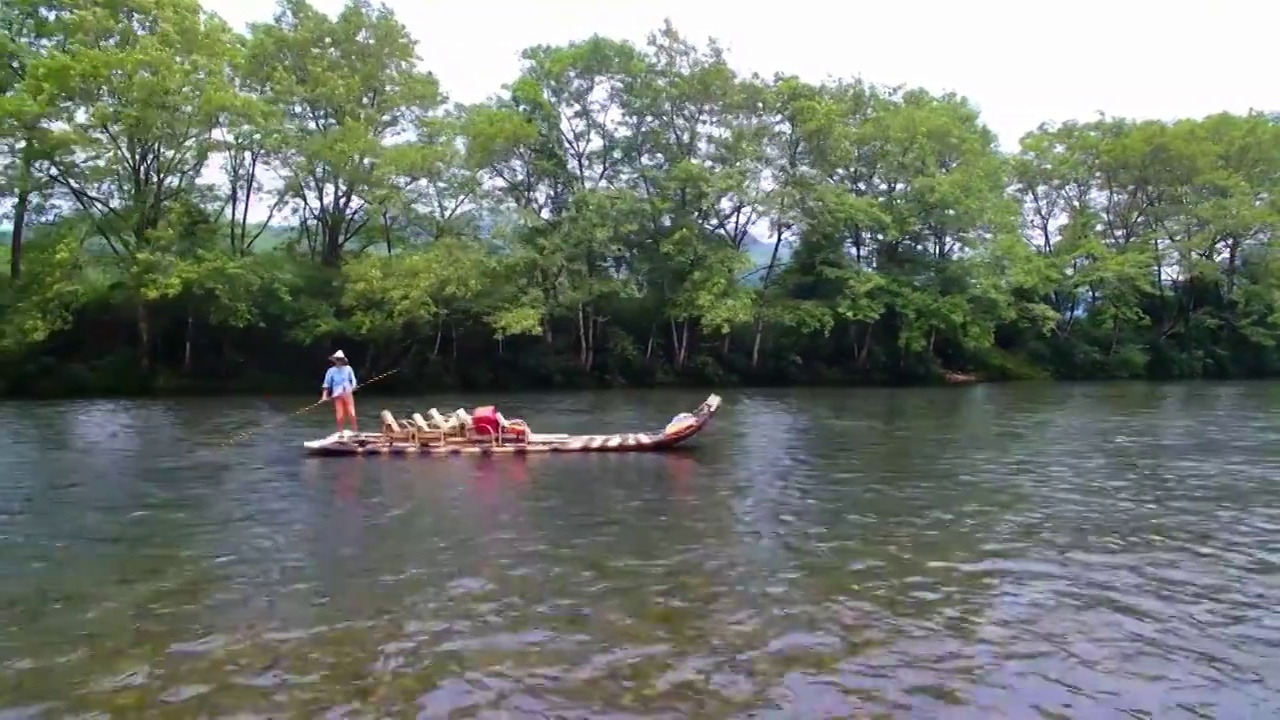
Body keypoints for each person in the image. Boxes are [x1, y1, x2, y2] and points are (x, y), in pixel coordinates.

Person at [322, 350, 359, 434]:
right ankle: (340, 432)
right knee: (340, 414)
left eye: (340, 359)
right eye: (337, 359)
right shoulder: (331, 371)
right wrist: (324, 396)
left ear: (343, 360)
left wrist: (353, 386)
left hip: (347, 393)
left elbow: (353, 380)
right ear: (335, 360)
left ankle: (355, 431)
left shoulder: (348, 369)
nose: (339, 361)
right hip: (337, 395)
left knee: (351, 413)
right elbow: (326, 384)